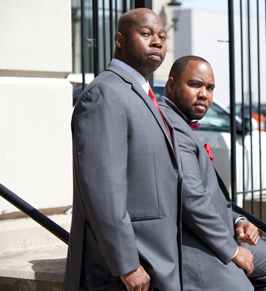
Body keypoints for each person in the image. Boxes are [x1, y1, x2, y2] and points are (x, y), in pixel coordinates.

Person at [66, 8, 180, 291]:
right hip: (123, 270)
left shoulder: (141, 93)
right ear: (119, 39)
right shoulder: (105, 93)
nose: (157, 41)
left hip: (158, 255)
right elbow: (103, 188)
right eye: (146, 33)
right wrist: (126, 263)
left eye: (162, 36)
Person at [160, 55, 266, 291]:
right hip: (191, 242)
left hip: (217, 230)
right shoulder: (169, 125)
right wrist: (232, 250)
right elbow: (193, 201)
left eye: (209, 88)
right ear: (171, 85)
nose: (204, 94)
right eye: (195, 84)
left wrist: (239, 220)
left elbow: (210, 196)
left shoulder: (182, 123)